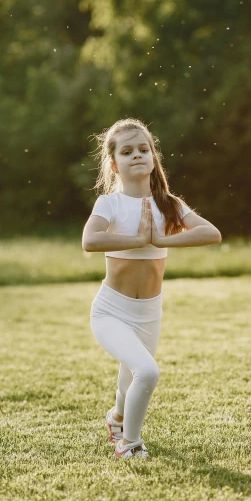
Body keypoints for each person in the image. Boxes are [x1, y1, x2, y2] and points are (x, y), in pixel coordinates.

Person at [82, 118, 221, 459]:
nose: (137, 156)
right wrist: (136, 240)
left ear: (154, 157)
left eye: (144, 149)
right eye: (127, 152)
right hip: (110, 310)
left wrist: (159, 238)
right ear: (114, 164)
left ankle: (116, 419)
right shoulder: (109, 204)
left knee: (131, 376)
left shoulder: (168, 204)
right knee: (146, 371)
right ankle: (129, 444)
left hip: (149, 312)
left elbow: (211, 233)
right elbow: (90, 240)